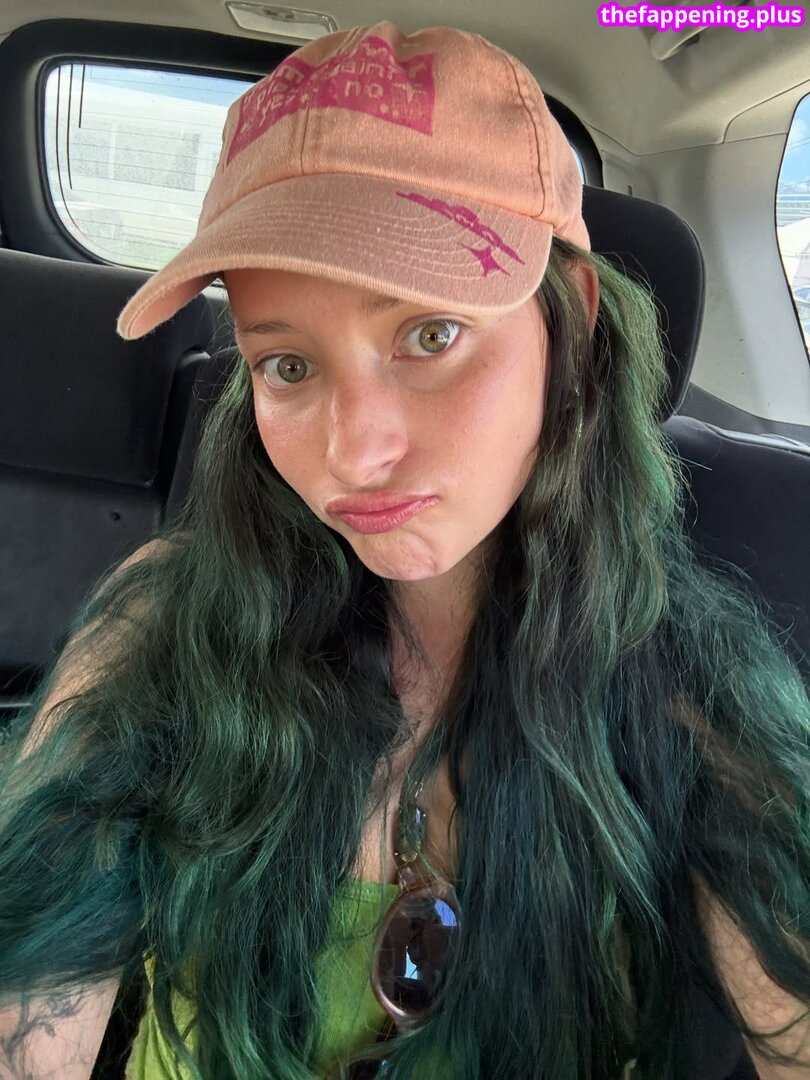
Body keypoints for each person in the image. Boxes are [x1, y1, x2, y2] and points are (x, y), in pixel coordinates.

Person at [0, 19, 808, 1080]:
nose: (354, 450)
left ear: (571, 319)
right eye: (288, 366)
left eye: (431, 335)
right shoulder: (163, 629)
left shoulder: (692, 704)